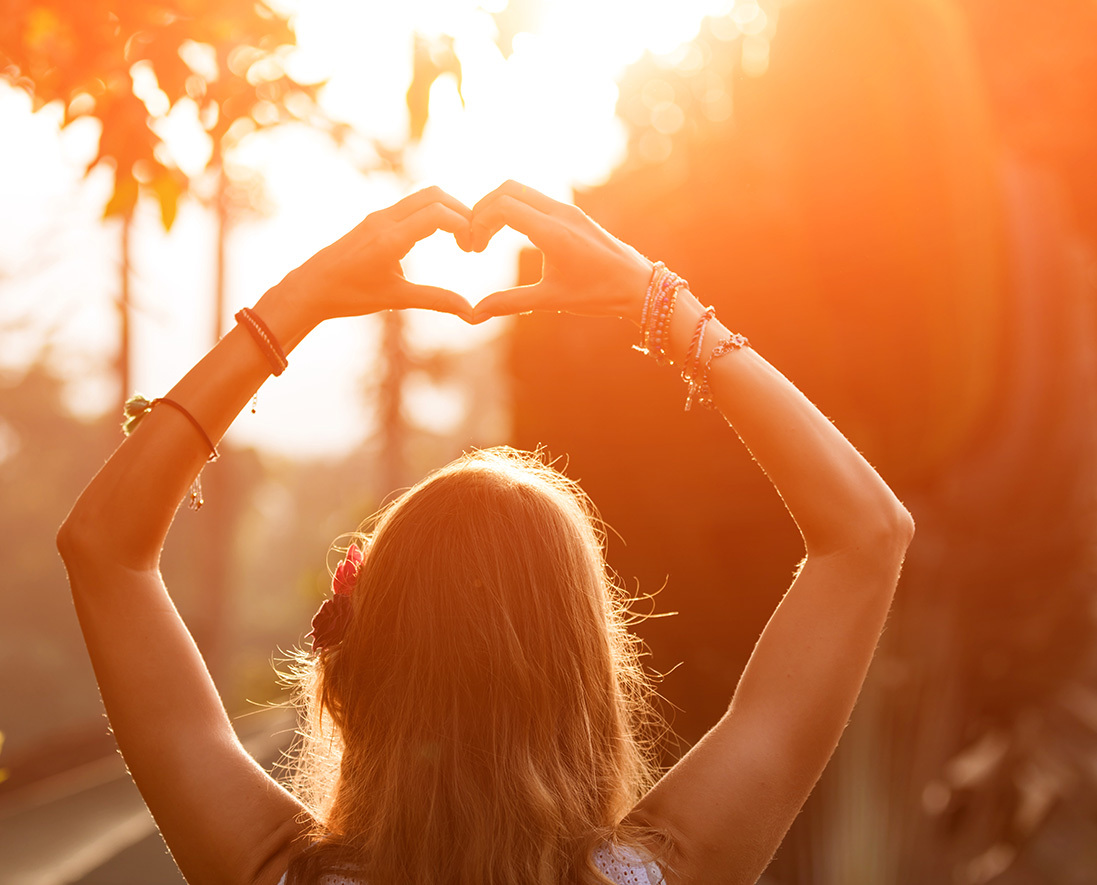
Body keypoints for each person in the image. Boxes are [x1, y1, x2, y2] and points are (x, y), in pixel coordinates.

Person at [57, 183, 914, 885]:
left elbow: (104, 550)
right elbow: (867, 535)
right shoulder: (664, 873)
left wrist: (296, 305)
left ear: (355, 678)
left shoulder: (271, 871)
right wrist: (655, 301)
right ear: (586, 675)